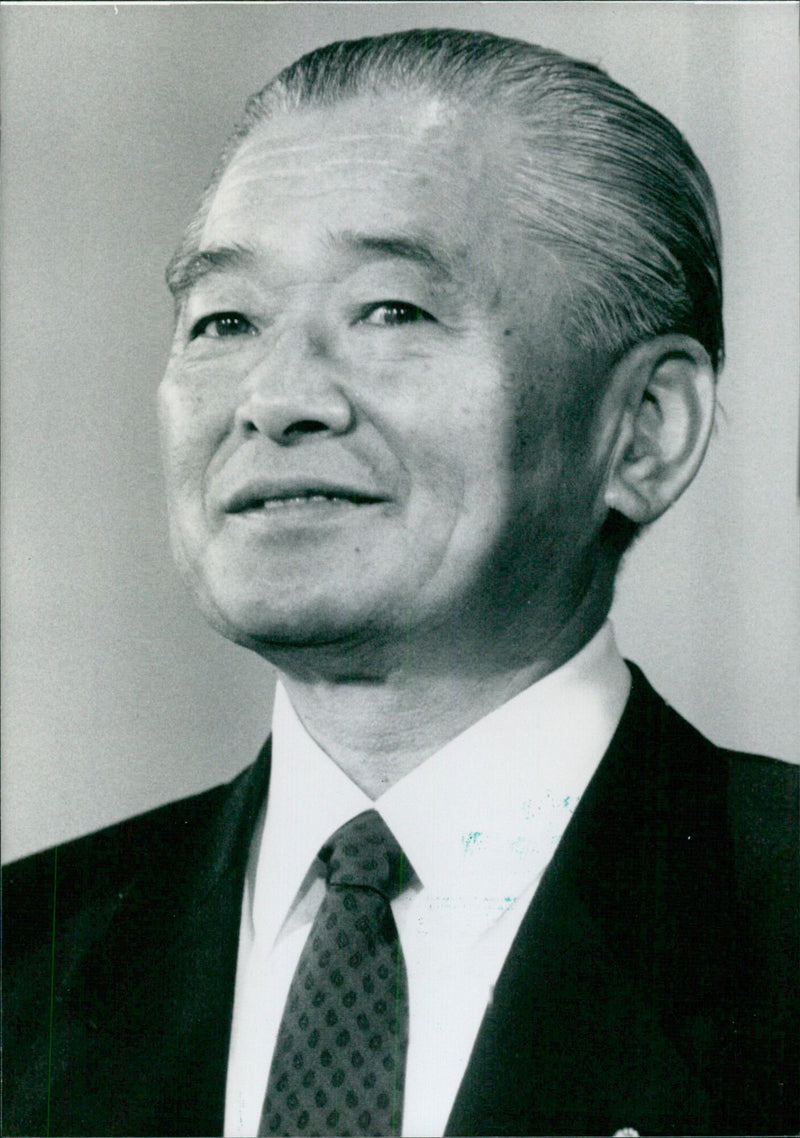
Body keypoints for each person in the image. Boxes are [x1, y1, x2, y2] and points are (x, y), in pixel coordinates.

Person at [4, 28, 797, 1138]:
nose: (274, 400)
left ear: (644, 430)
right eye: (224, 320)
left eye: (390, 311)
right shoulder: (25, 961)